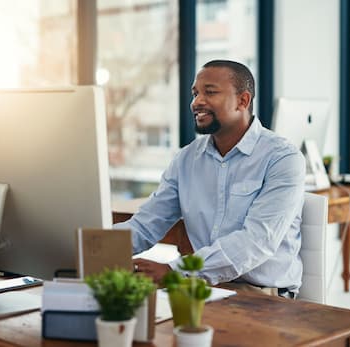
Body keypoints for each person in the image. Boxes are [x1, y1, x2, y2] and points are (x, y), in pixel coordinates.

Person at [114, 60, 305, 298]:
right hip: (202, 288)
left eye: (210, 92)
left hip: (263, 295)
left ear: (242, 101)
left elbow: (256, 241)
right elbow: (146, 224)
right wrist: (96, 248)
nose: (197, 102)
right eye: (195, 93)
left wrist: (174, 272)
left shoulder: (282, 158)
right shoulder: (186, 159)